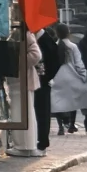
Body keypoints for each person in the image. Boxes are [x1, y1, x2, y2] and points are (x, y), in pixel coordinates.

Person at [51, 22, 87, 133]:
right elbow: (79, 63)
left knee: (57, 103)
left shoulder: (54, 46)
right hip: (72, 76)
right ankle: (71, 125)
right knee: (73, 101)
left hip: (57, 78)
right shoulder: (73, 47)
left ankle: (60, 126)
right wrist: (83, 75)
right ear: (68, 33)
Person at [34, 24, 61, 152]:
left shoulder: (45, 40)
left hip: (42, 81)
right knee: (40, 111)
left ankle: (42, 140)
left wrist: (46, 78)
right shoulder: (43, 39)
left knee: (42, 111)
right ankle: (40, 139)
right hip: (40, 80)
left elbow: (56, 61)